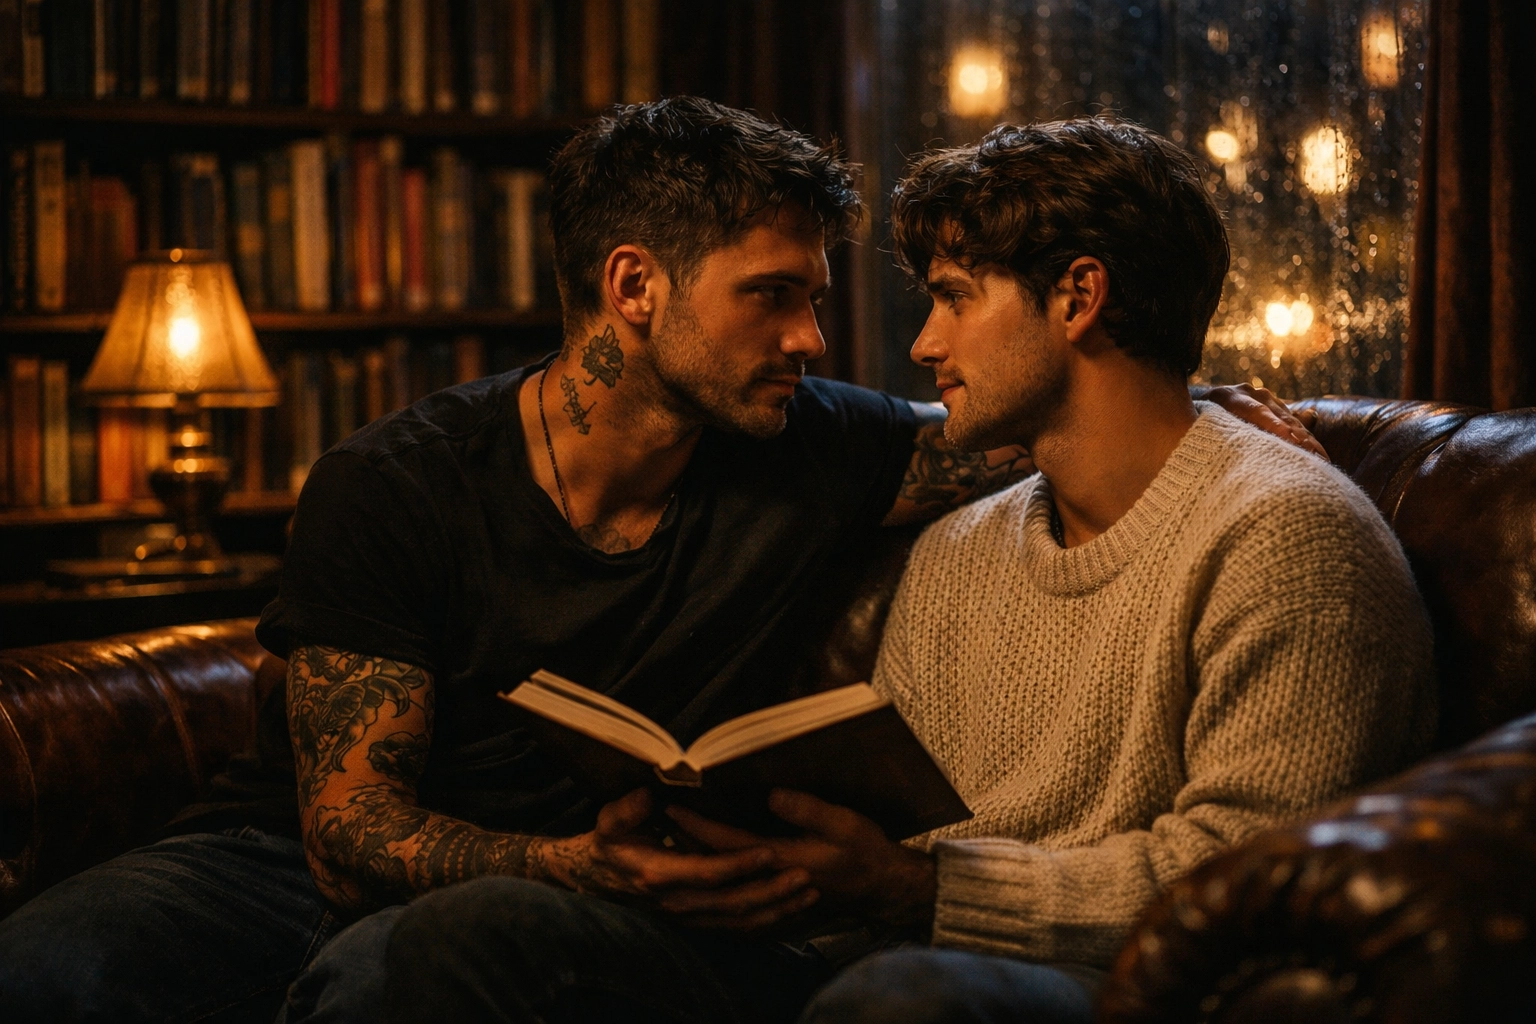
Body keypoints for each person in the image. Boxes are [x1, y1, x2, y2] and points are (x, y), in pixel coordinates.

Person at [0, 100, 1316, 1024]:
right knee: (48, 971)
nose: (817, 335)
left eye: (815, 294)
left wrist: (1218, 404)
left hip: (579, 904)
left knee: (414, 971)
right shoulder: (394, 481)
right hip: (278, 863)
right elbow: (351, 834)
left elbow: (1053, 417)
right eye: (773, 294)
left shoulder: (812, 444)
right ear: (634, 287)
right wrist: (584, 871)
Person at [380, 118, 1438, 1024]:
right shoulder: (960, 546)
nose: (923, 344)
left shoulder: (1288, 534)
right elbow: (895, 822)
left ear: (1078, 297)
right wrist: (756, 860)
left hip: (1080, 977)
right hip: (873, 943)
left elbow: (1243, 876)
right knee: (473, 935)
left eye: (954, 297)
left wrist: (920, 888)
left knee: (902, 1001)